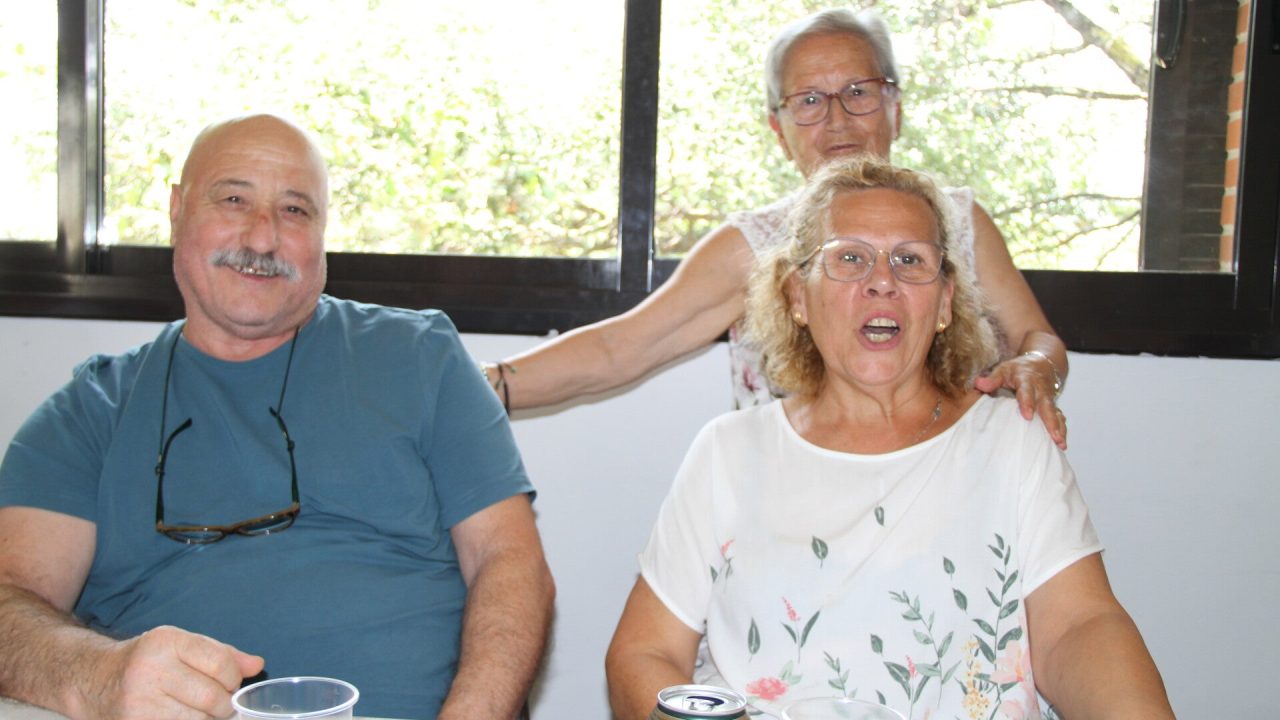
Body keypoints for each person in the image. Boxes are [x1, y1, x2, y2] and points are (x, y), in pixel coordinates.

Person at [0, 114, 554, 720]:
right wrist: (98, 674)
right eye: (234, 200)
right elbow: (9, 605)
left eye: (294, 210)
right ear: (177, 210)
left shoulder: (421, 356)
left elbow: (509, 561)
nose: (263, 239)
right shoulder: (90, 412)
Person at [605, 156, 1173, 719]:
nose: (882, 281)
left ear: (945, 301)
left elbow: (1078, 627)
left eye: (909, 260)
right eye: (849, 257)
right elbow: (644, 652)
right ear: (797, 296)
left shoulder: (1010, 441)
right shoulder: (728, 452)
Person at [481, 8, 1069, 450]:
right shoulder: (753, 246)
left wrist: (1037, 368)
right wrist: (474, 384)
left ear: (896, 108)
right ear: (778, 129)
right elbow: (619, 349)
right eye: (809, 100)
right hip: (794, 504)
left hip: (953, 485)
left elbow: (1038, 340)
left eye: (859, 93)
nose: (837, 119)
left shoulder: (959, 222)